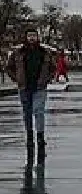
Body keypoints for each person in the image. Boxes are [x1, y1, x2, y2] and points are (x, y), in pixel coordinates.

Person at [4, 29, 56, 160]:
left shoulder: (45, 52)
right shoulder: (18, 52)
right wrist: (17, 79)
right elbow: (9, 67)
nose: (31, 38)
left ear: (37, 37)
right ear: (26, 37)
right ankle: (29, 137)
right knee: (27, 113)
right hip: (24, 87)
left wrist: (47, 79)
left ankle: (40, 137)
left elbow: (53, 68)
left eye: (34, 35)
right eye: (29, 36)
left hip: (39, 87)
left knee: (39, 111)